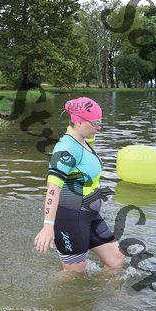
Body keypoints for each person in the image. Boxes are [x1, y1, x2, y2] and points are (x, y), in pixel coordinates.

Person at [34, 97, 125, 273]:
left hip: (90, 215)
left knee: (116, 260)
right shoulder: (66, 149)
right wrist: (48, 226)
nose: (99, 127)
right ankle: (46, 291)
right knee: (74, 274)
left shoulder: (83, 140)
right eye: (95, 123)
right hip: (70, 219)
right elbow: (53, 189)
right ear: (79, 121)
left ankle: (102, 291)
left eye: (100, 122)